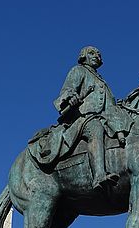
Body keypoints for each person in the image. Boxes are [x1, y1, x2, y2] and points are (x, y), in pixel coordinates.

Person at [54, 46, 129, 189]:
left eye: (98, 54)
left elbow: (108, 103)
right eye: (92, 53)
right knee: (95, 129)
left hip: (105, 117)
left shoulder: (102, 80)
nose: (97, 56)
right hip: (83, 118)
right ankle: (99, 175)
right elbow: (67, 90)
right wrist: (71, 97)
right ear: (83, 56)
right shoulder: (78, 70)